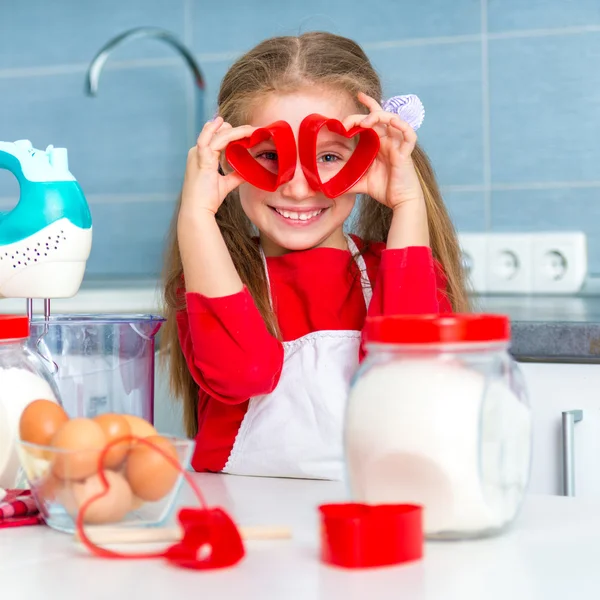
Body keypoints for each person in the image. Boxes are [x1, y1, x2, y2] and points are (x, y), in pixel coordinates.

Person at [161, 31, 470, 480]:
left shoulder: (396, 273)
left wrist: (408, 203)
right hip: (244, 514)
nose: (299, 187)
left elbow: (404, 374)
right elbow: (242, 373)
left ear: (365, 159)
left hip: (367, 513)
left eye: (328, 156)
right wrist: (196, 218)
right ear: (231, 161)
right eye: (268, 155)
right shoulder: (213, 278)